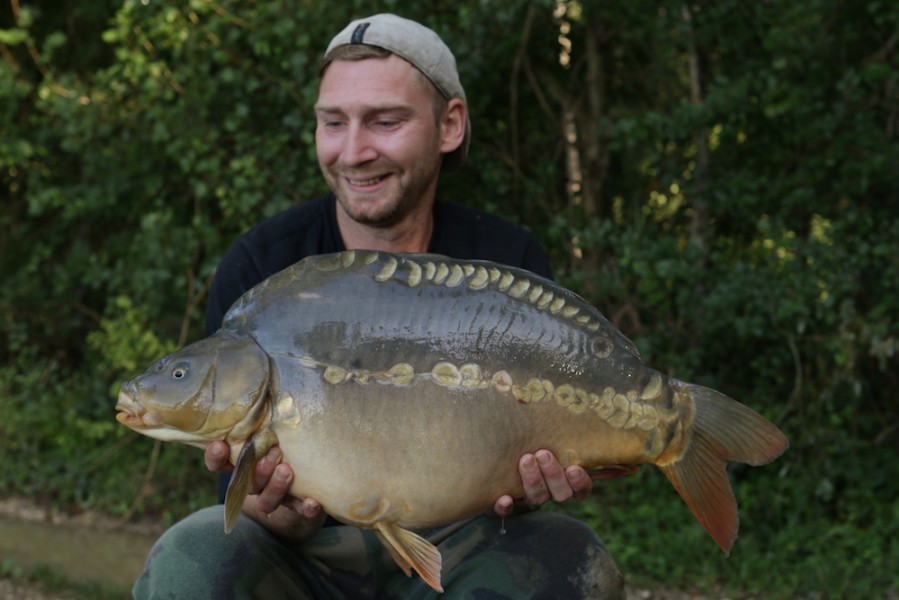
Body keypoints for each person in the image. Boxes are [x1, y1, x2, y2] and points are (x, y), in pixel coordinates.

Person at [134, 13, 625, 599]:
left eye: (385, 121)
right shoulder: (262, 268)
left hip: (464, 544)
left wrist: (533, 484)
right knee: (191, 556)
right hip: (305, 558)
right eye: (332, 122)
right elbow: (237, 498)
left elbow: (528, 464)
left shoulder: (503, 262)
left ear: (450, 125)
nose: (354, 151)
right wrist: (282, 513)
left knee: (573, 559)